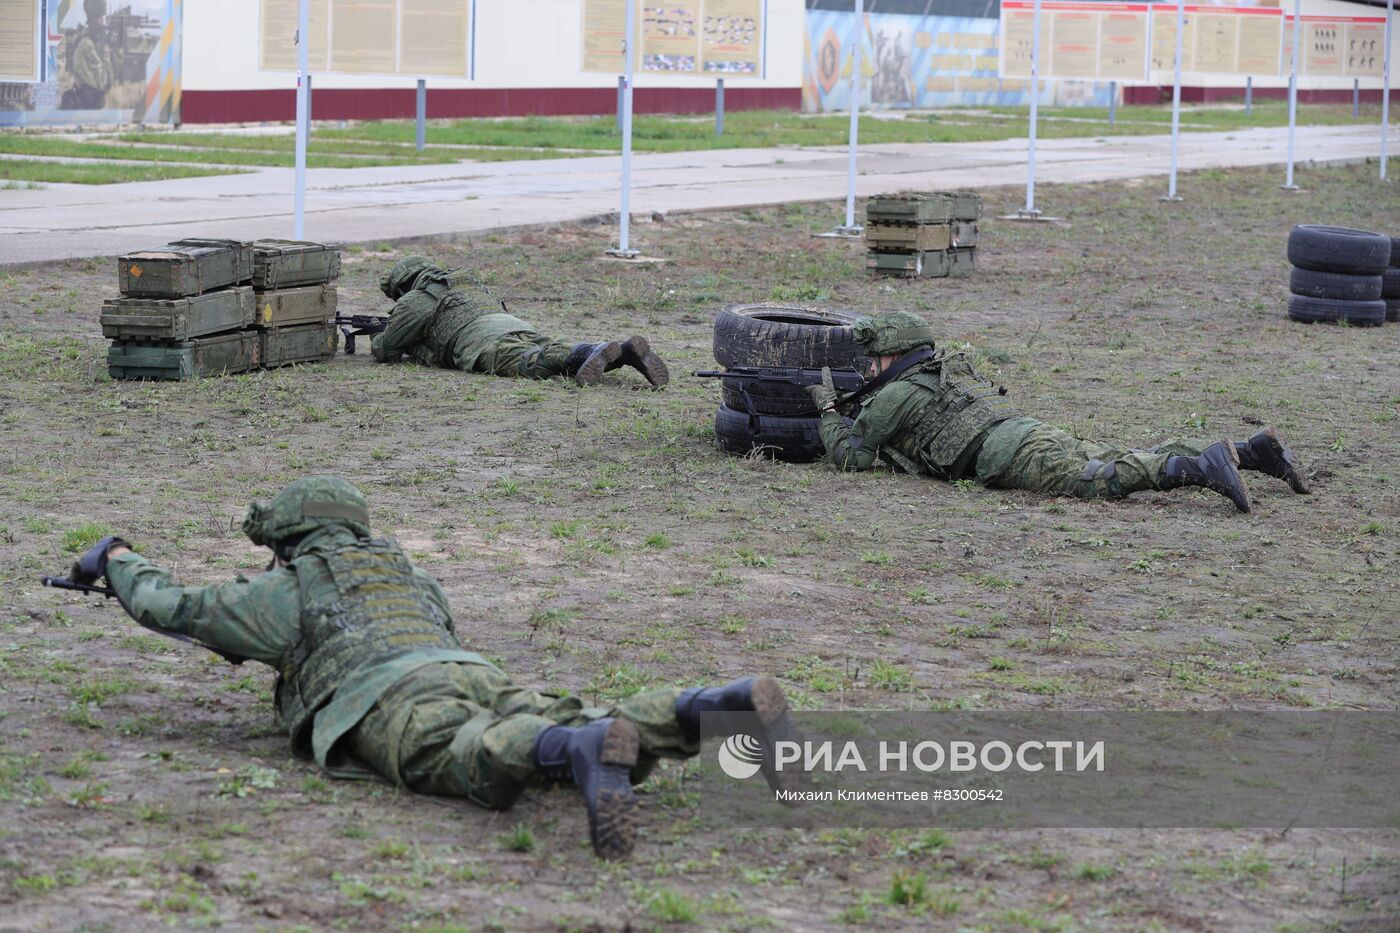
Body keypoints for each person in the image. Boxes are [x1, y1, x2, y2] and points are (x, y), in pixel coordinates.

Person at [64, 477, 795, 859]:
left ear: (286, 541)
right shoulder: (407, 575)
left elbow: (177, 606)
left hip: (387, 694)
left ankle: (569, 752)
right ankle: (710, 704)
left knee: (462, 749)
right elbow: (437, 624)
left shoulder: (284, 590)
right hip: (468, 665)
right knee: (559, 713)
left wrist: (119, 559)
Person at [805, 311, 1310, 513]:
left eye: (878, 358)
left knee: (1098, 479)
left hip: (1005, 455)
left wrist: (827, 409)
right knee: (1116, 456)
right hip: (1024, 430)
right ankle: (1249, 452)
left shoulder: (895, 395)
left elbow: (853, 458)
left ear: (896, 354)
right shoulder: (942, 371)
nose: (872, 366)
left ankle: (1200, 466)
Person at [372, 256, 669, 389]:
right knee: (551, 348)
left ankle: (594, 349)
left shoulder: (417, 298)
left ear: (402, 285)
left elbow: (386, 349)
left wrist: (382, 333)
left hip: (480, 342)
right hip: (511, 324)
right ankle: (626, 351)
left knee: (533, 362)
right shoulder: (464, 280)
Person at [63, 0, 114, 110]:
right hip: (86, 105)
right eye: (100, 17)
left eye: (103, 17)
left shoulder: (91, 40)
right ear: (93, 18)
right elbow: (102, 83)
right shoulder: (85, 44)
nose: (102, 21)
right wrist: (106, 52)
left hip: (91, 104)